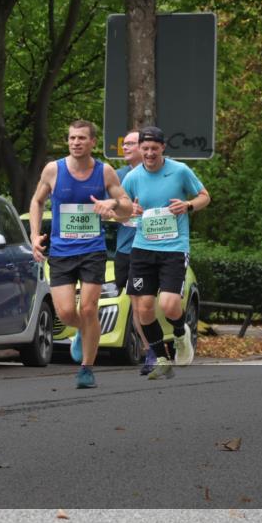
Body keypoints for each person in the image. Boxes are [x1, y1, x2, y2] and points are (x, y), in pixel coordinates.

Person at [29, 120, 132, 389]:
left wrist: (113, 203)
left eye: (82, 138)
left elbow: (127, 210)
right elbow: (37, 201)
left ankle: (87, 368)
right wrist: (34, 235)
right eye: (72, 138)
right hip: (62, 252)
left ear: (92, 142)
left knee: (88, 308)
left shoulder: (105, 172)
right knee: (65, 312)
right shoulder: (54, 169)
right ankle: (81, 334)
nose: (76, 142)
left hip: (92, 250)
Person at [120, 126, 210, 380]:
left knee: (169, 305)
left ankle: (181, 334)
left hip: (173, 248)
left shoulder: (179, 171)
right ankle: (160, 357)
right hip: (142, 248)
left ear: (163, 149)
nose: (149, 154)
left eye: (154, 149)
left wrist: (189, 205)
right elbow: (120, 212)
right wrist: (130, 212)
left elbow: (205, 196)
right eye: (145, 149)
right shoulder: (133, 177)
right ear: (140, 149)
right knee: (144, 308)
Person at [114, 130, 154, 375]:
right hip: (125, 249)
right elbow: (107, 210)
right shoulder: (117, 177)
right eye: (124, 143)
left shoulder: (158, 175)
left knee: (146, 303)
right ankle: (150, 348)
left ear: (143, 147)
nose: (125, 147)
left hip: (152, 248)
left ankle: (157, 345)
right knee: (136, 303)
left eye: (130, 144)